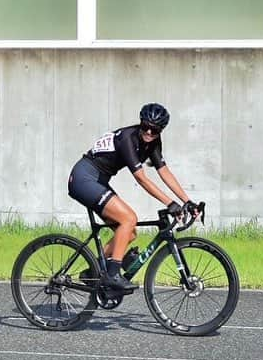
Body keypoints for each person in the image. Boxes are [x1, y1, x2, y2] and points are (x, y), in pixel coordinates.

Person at [67, 102, 201, 294]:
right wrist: (170, 203)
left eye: (154, 130)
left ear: (160, 130)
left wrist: (186, 201)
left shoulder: (153, 142)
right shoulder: (128, 139)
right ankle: (113, 275)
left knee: (129, 233)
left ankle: (94, 271)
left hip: (98, 180)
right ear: (140, 122)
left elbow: (164, 172)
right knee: (129, 219)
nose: (148, 132)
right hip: (84, 178)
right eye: (145, 126)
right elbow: (141, 178)